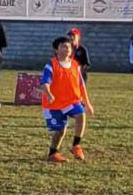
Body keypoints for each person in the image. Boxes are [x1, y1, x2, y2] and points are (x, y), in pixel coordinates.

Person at [39, 35, 93, 163]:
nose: (67, 48)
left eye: (68, 46)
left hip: (71, 101)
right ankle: (53, 153)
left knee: (81, 115)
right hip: (54, 104)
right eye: (63, 46)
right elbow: (44, 83)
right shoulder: (51, 65)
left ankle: (76, 145)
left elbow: (81, 85)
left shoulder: (75, 65)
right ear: (56, 50)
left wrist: (88, 103)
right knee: (60, 131)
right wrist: (49, 94)